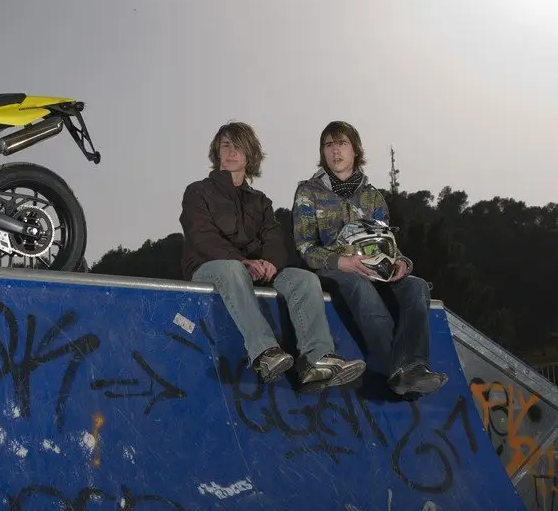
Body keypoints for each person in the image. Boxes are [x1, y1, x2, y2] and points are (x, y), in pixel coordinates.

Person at [180, 121, 366, 389]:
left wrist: (269, 263)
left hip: (253, 271)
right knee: (232, 269)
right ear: (217, 152)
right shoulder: (198, 191)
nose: (231, 152)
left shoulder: (260, 201)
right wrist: (243, 261)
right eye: (225, 146)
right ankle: (264, 353)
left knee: (304, 278)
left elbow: (274, 239)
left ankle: (316, 360)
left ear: (249, 155)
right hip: (209, 268)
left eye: (238, 147)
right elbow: (202, 236)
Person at [291, 120, 447, 398]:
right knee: (359, 284)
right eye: (328, 145)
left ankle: (414, 366)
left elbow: (388, 242)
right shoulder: (309, 192)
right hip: (333, 270)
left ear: (355, 150)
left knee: (417, 286)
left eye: (342, 144)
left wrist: (401, 262)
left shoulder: (372, 197)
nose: (335, 151)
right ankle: (398, 370)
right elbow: (305, 246)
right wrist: (341, 262)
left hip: (375, 269)